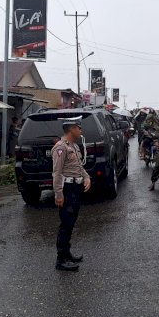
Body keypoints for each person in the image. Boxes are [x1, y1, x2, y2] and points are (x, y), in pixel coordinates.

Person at [52, 116, 92, 272]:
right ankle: (60, 260)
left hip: (75, 189)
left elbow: (79, 166)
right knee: (66, 224)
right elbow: (57, 172)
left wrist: (86, 177)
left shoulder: (73, 146)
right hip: (67, 189)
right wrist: (59, 195)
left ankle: (67, 254)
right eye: (78, 127)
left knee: (71, 222)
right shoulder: (60, 148)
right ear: (71, 129)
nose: (80, 130)